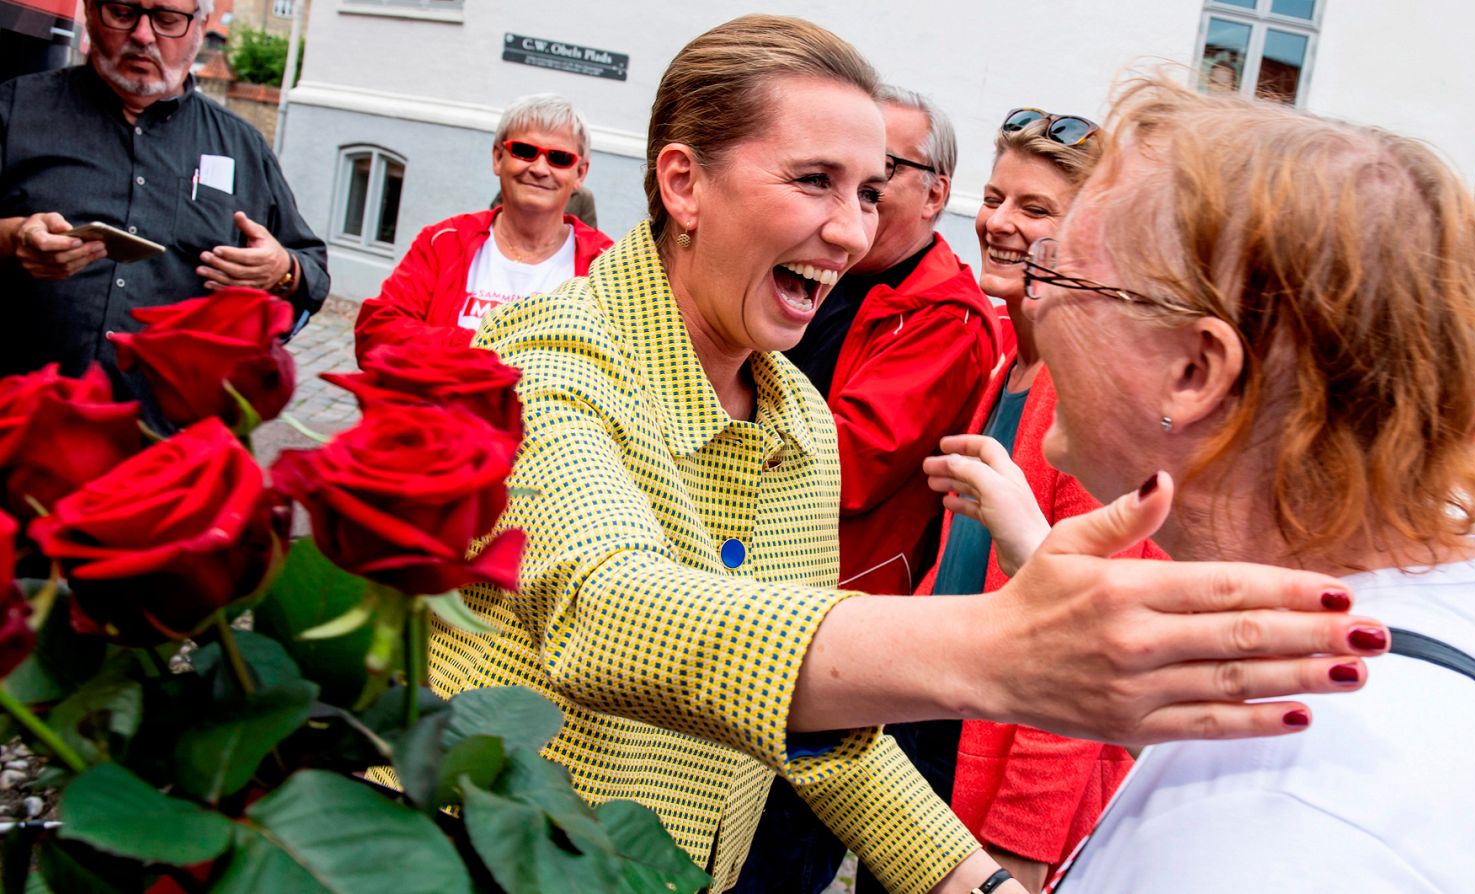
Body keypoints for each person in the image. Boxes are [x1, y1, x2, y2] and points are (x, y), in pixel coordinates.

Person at [430, 18, 1391, 894]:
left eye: (867, 193)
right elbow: (605, 610)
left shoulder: (799, 419)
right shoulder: (542, 359)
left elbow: (824, 732)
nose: (851, 232)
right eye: (814, 181)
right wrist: (994, 650)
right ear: (683, 184)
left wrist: (980, 885)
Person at [938, 76, 1475, 891]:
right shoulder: (1416, 621)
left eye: (1065, 277)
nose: (1035, 303)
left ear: (1195, 370)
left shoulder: (1278, 824)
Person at [736, 86, 1001, 894]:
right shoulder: (833, 271)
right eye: (841, 172)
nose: (862, 197)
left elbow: (848, 466)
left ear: (937, 193)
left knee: (774, 860)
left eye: (883, 172)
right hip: (757, 597)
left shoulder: (945, 315)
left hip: (829, 624)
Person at [913, 109, 1163, 892]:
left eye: (1035, 208)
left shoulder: (1092, 395)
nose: (999, 223)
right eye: (995, 198)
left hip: (996, 786)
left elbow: (1089, 641)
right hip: (935, 737)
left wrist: (1019, 846)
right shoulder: (1010, 367)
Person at [0, 0, 328, 394]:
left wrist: (283, 270)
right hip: (20, 415)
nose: (143, 35)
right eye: (122, 12)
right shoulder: (15, 110)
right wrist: (11, 237)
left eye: (167, 19)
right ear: (90, 11)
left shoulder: (241, 145)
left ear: (201, 26)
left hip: (164, 424)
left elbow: (312, 271)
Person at [353, 94, 611, 363]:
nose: (539, 168)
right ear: (498, 158)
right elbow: (376, 335)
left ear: (580, 173)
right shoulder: (444, 241)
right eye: (524, 151)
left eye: (559, 158)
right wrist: (491, 348)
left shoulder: (604, 265)